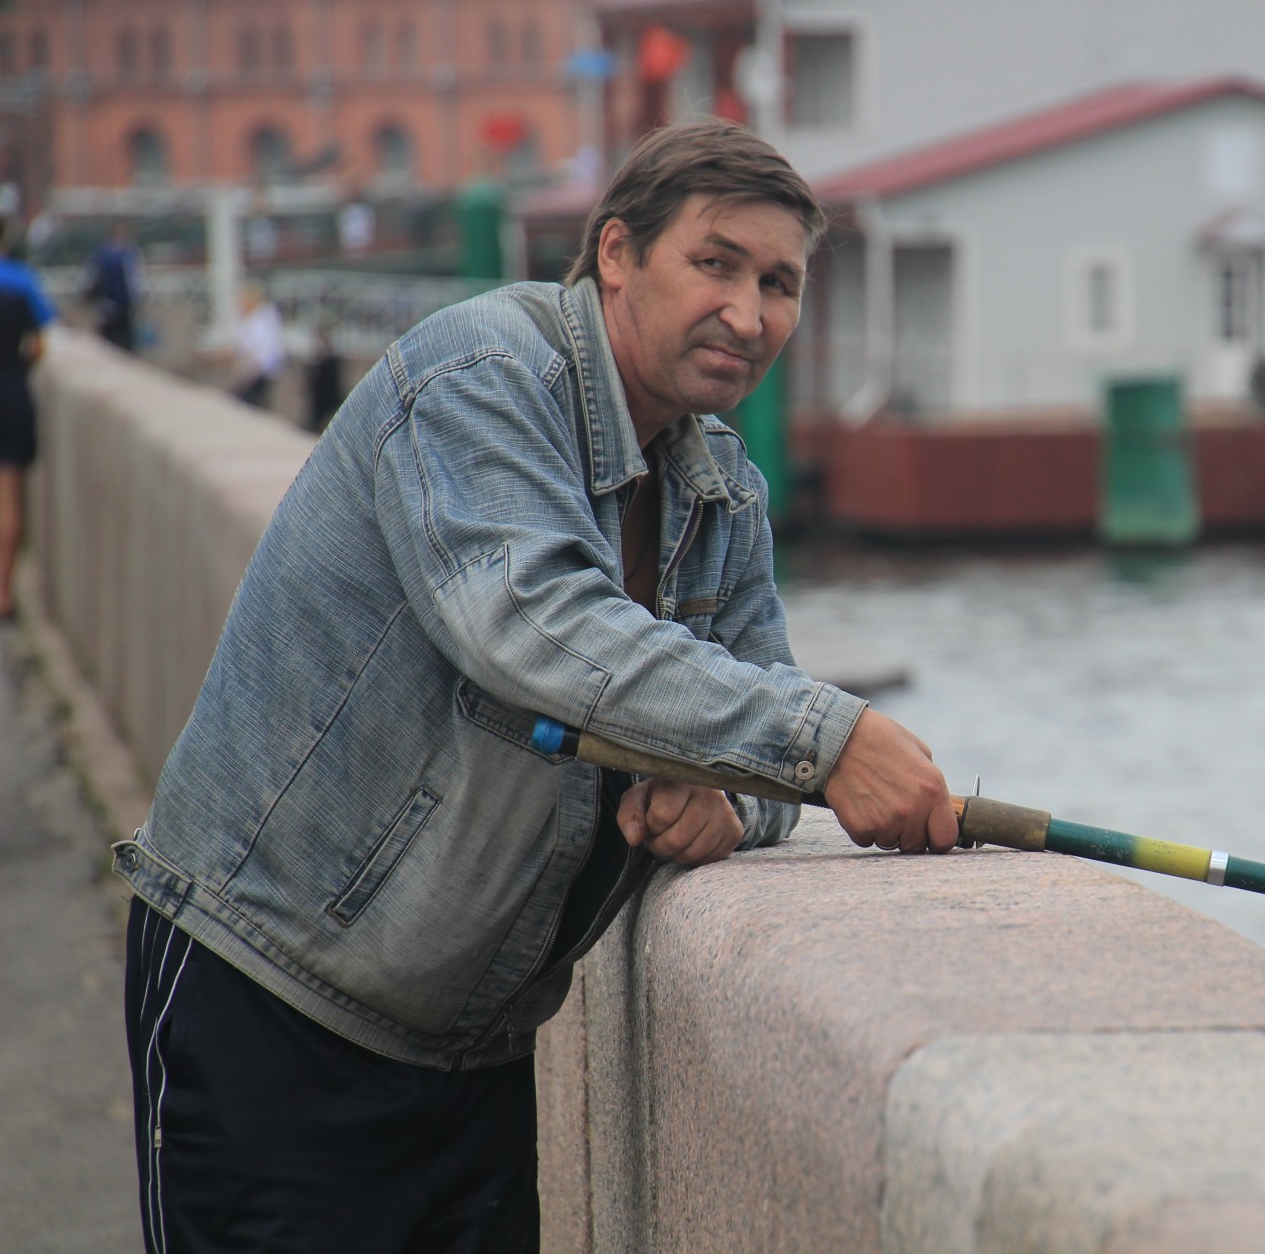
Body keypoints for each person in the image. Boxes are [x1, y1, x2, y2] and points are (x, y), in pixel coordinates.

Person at [114, 119, 956, 1253]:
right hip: (272, 998)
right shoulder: (481, 371)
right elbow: (532, 622)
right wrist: (826, 740)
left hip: (471, 1053)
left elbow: (757, 710)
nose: (750, 315)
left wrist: (730, 797)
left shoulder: (724, 487)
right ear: (616, 254)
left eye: (779, 283)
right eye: (715, 264)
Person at [0, 216, 55, 621]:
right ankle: (2, 591)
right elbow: (39, 344)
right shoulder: (20, 280)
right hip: (11, 394)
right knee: (9, 497)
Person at [228, 279, 288, 409]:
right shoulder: (246, 319)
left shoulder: (263, 318)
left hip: (263, 369)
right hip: (255, 366)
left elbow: (263, 349)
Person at [83, 220, 140, 351]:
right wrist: (136, 301)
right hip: (122, 305)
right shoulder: (128, 254)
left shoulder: (100, 253)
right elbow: (134, 281)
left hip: (106, 305)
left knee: (108, 345)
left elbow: (89, 278)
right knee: (125, 345)